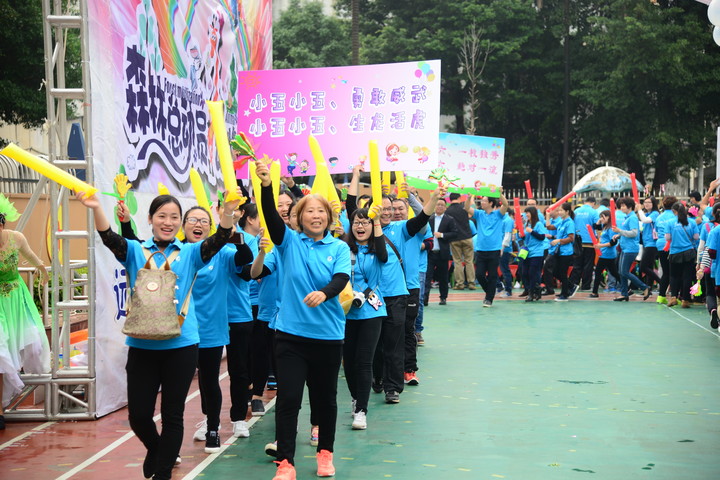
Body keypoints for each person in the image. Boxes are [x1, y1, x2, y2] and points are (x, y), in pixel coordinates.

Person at [75, 188, 243, 480]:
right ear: (150, 219)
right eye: (162, 216)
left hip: (181, 346)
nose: (168, 221)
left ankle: (163, 473)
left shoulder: (191, 252)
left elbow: (218, 240)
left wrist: (227, 213)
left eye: (174, 217)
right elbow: (108, 237)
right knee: (139, 416)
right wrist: (94, 207)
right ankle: (156, 449)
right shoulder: (134, 250)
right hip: (142, 347)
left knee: (173, 415)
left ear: (180, 223)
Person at [254, 159, 351, 480]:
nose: (315, 216)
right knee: (289, 400)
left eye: (320, 211)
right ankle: (286, 462)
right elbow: (270, 216)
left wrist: (324, 293)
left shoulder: (338, 247)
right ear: (299, 217)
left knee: (325, 402)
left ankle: (325, 454)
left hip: (327, 336)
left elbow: (340, 279)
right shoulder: (288, 243)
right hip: (290, 337)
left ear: (329, 217)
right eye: (309, 211)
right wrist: (267, 186)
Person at [0, 194, 50, 429]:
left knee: (32, 342)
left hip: (17, 298)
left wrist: (43, 271)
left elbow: (33, 257)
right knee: (1, 351)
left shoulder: (16, 238)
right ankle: (1, 408)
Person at [342, 205, 387, 430]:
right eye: (356, 223)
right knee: (348, 361)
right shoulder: (343, 248)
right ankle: (355, 397)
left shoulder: (378, 248)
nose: (361, 226)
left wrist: (376, 221)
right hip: (347, 311)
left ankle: (361, 410)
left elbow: (384, 255)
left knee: (364, 360)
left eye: (365, 222)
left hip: (372, 311)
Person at [467, 192, 509, 307]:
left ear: (490, 203)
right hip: (481, 250)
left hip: (494, 250)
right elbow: (467, 208)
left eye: (484, 201)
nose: (482, 202)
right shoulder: (479, 214)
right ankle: (490, 292)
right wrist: (469, 197)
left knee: (492, 275)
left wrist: (500, 193)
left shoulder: (498, 214)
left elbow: (505, 205)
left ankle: (489, 299)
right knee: (479, 274)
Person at [612, 198, 651, 302]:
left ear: (629, 206)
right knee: (621, 272)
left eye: (623, 205)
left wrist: (619, 231)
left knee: (624, 271)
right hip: (625, 247)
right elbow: (627, 232)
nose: (621, 207)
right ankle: (624, 293)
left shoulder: (632, 218)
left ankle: (644, 287)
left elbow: (634, 233)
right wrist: (618, 235)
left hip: (631, 248)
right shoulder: (627, 217)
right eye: (621, 205)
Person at [425, 198, 458, 306]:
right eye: (438, 204)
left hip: (442, 252)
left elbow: (455, 233)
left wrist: (442, 235)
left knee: (443, 277)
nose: (439, 206)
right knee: (427, 276)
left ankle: (443, 297)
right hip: (430, 253)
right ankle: (425, 298)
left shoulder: (450, 219)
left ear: (445, 207)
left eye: (442, 205)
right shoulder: (429, 218)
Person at [665, 202, 699, 308]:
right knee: (687, 276)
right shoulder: (692, 222)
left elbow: (667, 238)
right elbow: (696, 237)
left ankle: (674, 297)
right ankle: (685, 299)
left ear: (674, 211)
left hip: (675, 252)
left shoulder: (670, 222)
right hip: (689, 252)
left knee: (674, 276)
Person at [445, 193, 476, 290]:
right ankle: (471, 283)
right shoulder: (464, 208)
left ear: (449, 200)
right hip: (467, 237)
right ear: (459, 198)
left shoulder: (447, 211)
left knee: (457, 262)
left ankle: (460, 284)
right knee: (469, 261)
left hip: (454, 239)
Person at [549, 202, 576, 301]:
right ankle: (570, 286)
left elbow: (571, 238)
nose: (559, 212)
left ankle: (564, 294)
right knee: (555, 271)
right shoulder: (561, 221)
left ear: (567, 211)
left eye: (561, 210)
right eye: (558, 210)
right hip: (559, 251)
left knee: (563, 273)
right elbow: (550, 227)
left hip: (566, 252)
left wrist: (558, 241)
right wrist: (548, 215)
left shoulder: (570, 223)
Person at [570, 197, 599, 290]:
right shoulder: (594, 212)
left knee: (577, 264)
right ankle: (586, 285)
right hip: (589, 241)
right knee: (588, 265)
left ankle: (574, 284)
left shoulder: (576, 211)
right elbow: (597, 225)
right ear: (593, 203)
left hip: (577, 241)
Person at [589, 211, 620, 298]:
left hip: (607, 253)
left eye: (602, 217)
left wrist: (600, 245)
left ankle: (595, 292)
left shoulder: (611, 228)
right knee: (614, 273)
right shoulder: (605, 226)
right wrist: (599, 221)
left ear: (608, 217)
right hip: (605, 253)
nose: (601, 219)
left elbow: (613, 242)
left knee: (598, 272)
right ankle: (627, 288)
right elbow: (596, 227)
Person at [654, 196, 678, 304]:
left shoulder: (659, 217)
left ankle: (661, 296)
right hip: (672, 245)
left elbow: (656, 231)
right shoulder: (675, 216)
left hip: (660, 245)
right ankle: (674, 297)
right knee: (674, 272)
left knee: (665, 272)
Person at [521, 206, 547, 301]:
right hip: (527, 252)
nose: (526, 214)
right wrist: (522, 236)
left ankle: (531, 293)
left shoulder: (538, 224)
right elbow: (526, 238)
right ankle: (537, 289)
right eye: (525, 212)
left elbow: (542, 237)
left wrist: (532, 231)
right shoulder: (527, 224)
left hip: (537, 252)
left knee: (532, 273)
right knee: (524, 273)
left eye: (528, 212)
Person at [636, 197, 662, 290]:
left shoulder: (655, 214)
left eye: (649, 202)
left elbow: (645, 220)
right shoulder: (647, 214)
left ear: (654, 203)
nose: (646, 204)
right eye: (645, 202)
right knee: (649, 267)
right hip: (646, 243)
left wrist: (639, 210)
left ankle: (661, 283)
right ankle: (648, 287)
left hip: (652, 243)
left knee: (643, 267)